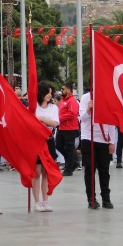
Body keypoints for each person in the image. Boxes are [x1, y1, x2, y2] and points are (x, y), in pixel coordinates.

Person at [79, 91, 116, 209]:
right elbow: (82, 119)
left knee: (104, 171)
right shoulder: (86, 97)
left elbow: (111, 121)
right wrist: (88, 110)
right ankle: (91, 198)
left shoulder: (107, 97)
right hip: (88, 138)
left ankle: (106, 198)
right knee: (90, 169)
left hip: (103, 139)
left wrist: (112, 141)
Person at [32, 81, 59, 212]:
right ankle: (37, 202)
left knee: (46, 172)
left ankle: (46, 200)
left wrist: (41, 119)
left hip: (49, 142)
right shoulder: (34, 106)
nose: (50, 95)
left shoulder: (53, 108)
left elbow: (55, 123)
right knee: (36, 172)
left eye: (51, 93)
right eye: (47, 92)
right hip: (36, 142)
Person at [56, 82, 80, 176]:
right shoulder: (63, 100)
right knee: (59, 145)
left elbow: (72, 113)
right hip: (62, 127)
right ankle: (72, 161)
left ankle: (69, 168)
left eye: (63, 89)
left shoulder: (72, 101)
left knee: (69, 148)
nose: (61, 90)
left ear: (68, 90)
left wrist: (60, 117)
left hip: (70, 128)